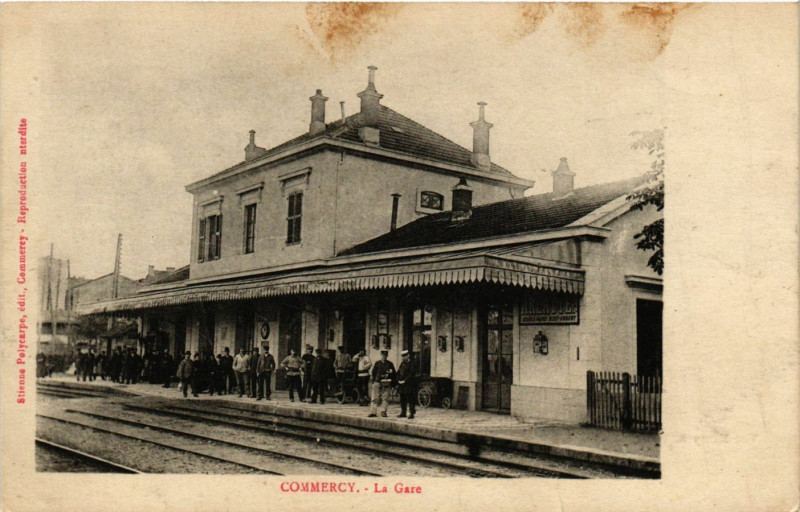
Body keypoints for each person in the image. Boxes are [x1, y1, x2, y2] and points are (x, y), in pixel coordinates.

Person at [368, 350, 396, 418]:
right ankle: (373, 412)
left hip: (386, 383)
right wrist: (374, 381)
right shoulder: (377, 363)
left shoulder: (390, 364)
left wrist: (392, 382)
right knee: (374, 398)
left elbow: (394, 374)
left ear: (387, 356)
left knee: (385, 398)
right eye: (383, 355)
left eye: (385, 355)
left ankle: (383, 411)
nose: (384, 357)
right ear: (381, 355)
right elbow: (373, 372)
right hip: (377, 382)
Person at [396, 350, 417, 419]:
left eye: (405, 356)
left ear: (408, 356)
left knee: (410, 399)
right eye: (402, 356)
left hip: (409, 385)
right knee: (402, 399)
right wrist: (398, 380)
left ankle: (411, 413)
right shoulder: (402, 364)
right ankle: (403, 412)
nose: (403, 358)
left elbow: (412, 374)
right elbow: (398, 372)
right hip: (401, 384)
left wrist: (405, 381)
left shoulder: (412, 363)